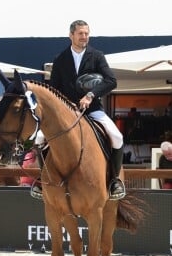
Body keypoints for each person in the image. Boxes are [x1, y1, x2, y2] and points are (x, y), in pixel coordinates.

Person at [49, 19, 125, 200]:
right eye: (80, 33)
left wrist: (90, 95)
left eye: (86, 34)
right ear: (71, 35)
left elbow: (111, 81)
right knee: (40, 137)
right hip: (67, 112)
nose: (84, 37)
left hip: (92, 110)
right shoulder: (60, 59)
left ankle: (114, 180)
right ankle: (42, 180)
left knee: (117, 136)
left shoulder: (97, 55)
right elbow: (53, 88)